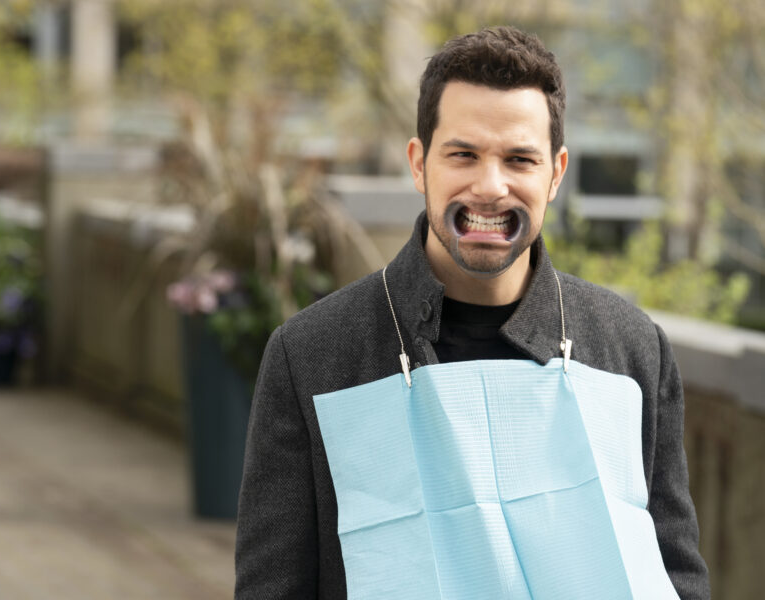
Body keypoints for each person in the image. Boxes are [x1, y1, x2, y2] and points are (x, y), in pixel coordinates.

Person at [235, 26, 710, 599]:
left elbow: (675, 577)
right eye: (463, 154)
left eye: (519, 159)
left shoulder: (633, 351)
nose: (491, 186)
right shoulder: (311, 356)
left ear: (555, 173)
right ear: (419, 164)